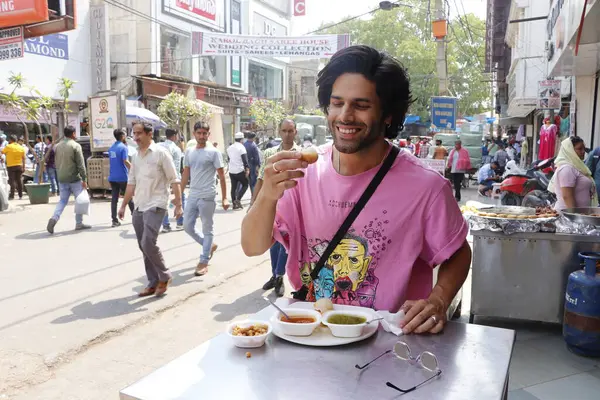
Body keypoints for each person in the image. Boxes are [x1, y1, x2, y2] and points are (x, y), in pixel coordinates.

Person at [241, 45, 471, 334]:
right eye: (337, 103)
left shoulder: (427, 188)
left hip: (386, 343)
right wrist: (268, 195)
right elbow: (252, 247)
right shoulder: (302, 172)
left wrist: (438, 299)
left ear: (388, 114)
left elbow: (458, 252)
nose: (345, 116)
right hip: (309, 333)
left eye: (361, 106)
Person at [119, 123, 182, 297]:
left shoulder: (161, 154)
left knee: (148, 242)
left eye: (139, 133)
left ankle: (164, 275)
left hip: (156, 204)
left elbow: (174, 179)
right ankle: (153, 282)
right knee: (143, 245)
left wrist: (178, 204)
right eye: (134, 134)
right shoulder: (136, 157)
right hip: (139, 204)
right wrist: (124, 205)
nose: (136, 137)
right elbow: (131, 183)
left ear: (149, 134)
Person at [250, 118, 301, 297]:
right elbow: (261, 179)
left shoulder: (300, 155)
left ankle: (279, 275)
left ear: (296, 132)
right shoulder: (270, 153)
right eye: (284, 131)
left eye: (290, 131)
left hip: (293, 207)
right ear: (279, 132)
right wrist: (254, 203)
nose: (287, 134)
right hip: (273, 205)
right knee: (273, 242)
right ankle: (275, 275)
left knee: (286, 243)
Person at [181, 122, 230, 276]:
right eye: (199, 133)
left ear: (208, 135)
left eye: (204, 133)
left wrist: (225, 198)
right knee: (187, 226)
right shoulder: (189, 152)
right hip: (193, 195)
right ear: (194, 134)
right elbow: (185, 174)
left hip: (208, 195)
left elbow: (222, 176)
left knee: (207, 228)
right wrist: (178, 195)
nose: (201, 136)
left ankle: (203, 260)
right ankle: (208, 245)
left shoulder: (214, 152)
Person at [46, 126, 91, 234]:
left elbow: (56, 162)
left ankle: (54, 218)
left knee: (62, 201)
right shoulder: (75, 146)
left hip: (61, 178)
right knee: (79, 200)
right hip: (74, 178)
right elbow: (81, 165)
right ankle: (79, 223)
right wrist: (84, 179)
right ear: (73, 134)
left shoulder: (57, 146)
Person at [550, 136, 598, 211]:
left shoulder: (577, 167)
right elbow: (567, 196)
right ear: (570, 150)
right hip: (567, 217)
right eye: (579, 149)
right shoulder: (567, 169)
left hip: (578, 216)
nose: (583, 152)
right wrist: (574, 216)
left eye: (583, 149)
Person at [160, 128, 185, 232]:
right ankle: (180, 223)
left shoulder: (159, 146)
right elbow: (177, 166)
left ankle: (165, 225)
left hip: (161, 177)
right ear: (175, 136)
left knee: (163, 201)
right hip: (174, 177)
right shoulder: (176, 149)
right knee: (181, 198)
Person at [108, 128, 134, 227]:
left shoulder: (111, 148)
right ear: (122, 136)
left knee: (114, 199)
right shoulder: (123, 147)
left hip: (112, 177)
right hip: (122, 177)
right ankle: (134, 215)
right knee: (129, 197)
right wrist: (134, 169)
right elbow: (125, 161)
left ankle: (114, 220)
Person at [227, 132, 249, 210]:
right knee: (245, 184)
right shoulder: (241, 147)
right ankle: (238, 200)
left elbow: (228, 159)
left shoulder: (230, 148)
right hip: (239, 170)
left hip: (231, 170)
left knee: (233, 187)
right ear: (242, 139)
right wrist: (247, 169)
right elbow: (245, 160)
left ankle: (234, 203)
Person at [1, 135, 25, 200]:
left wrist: (1, 158)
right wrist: (24, 167)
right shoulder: (21, 147)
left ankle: (12, 195)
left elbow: (1, 152)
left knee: (12, 181)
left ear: (11, 140)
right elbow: (23, 158)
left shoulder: (8, 146)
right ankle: (20, 195)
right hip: (19, 166)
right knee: (19, 180)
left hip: (11, 166)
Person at [243, 132, 261, 196]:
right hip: (253, 165)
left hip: (245, 165)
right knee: (254, 182)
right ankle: (254, 196)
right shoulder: (253, 145)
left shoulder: (244, 144)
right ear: (253, 138)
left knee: (250, 182)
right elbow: (257, 157)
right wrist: (258, 166)